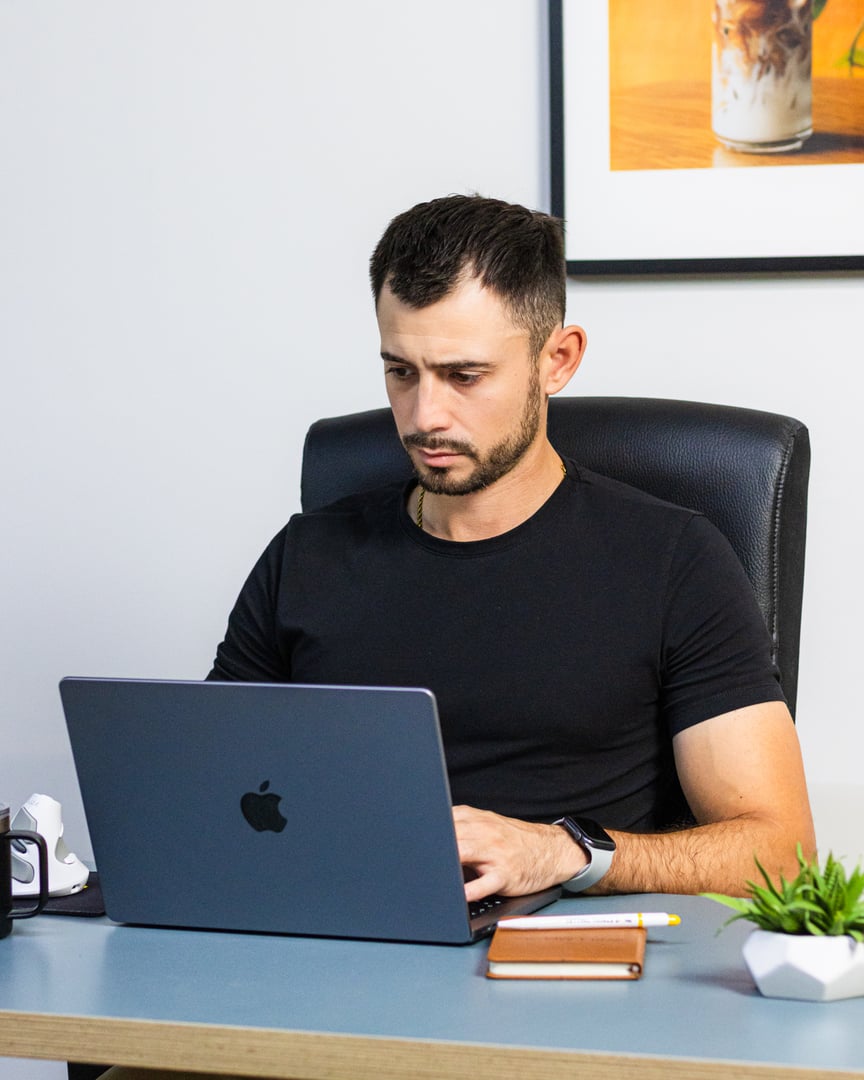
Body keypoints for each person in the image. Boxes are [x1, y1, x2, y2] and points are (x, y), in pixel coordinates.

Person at [209, 193, 815, 901]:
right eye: (401, 372)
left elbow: (779, 853)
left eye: (465, 377)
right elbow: (214, 796)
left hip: (555, 966)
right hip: (332, 939)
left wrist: (563, 852)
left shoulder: (675, 561)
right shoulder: (304, 555)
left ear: (557, 359)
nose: (425, 416)